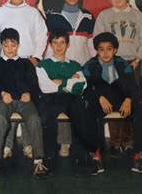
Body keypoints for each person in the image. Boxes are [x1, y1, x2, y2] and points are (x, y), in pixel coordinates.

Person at [93, 0, 142, 157]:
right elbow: (98, 38)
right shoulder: (104, 16)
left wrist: (139, 58)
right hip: (111, 63)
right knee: (112, 100)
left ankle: (129, 140)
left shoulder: (137, 15)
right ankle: (116, 141)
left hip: (131, 63)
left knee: (130, 101)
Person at [0, 0, 47, 158]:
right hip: (6, 64)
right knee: (8, 102)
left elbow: (42, 36)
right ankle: (7, 144)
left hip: (27, 64)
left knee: (26, 102)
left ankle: (28, 144)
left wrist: (36, 57)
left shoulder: (33, 12)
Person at [82, 32, 142, 175]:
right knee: (89, 112)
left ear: (115, 50)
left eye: (109, 49)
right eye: (101, 49)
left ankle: (138, 155)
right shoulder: (90, 65)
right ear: (97, 51)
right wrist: (99, 97)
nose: (105, 53)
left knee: (140, 111)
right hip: (101, 100)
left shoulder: (123, 64)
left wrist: (128, 99)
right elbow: (84, 88)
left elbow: (133, 87)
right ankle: (96, 156)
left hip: (121, 99)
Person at [0, 28, 48, 179]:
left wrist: (29, 93)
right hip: (3, 99)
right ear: (1, 45)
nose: (9, 48)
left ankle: (38, 160)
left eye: (13, 45)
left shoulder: (26, 63)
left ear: (18, 45)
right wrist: (2, 93)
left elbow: (34, 84)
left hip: (23, 99)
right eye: (6, 45)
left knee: (34, 118)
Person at [36, 30, 98, 174]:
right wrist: (70, 81)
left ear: (68, 45)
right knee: (48, 118)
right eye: (55, 43)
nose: (59, 46)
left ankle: (80, 159)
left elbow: (81, 86)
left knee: (80, 113)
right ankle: (49, 159)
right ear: (50, 45)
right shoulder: (43, 65)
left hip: (71, 98)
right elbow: (45, 87)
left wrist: (59, 82)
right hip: (51, 98)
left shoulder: (75, 65)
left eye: (62, 42)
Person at [46, 0, 94, 66]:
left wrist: (93, 64)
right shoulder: (53, 17)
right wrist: (50, 65)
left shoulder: (88, 17)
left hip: (83, 66)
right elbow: (49, 45)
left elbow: (91, 45)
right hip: (61, 66)